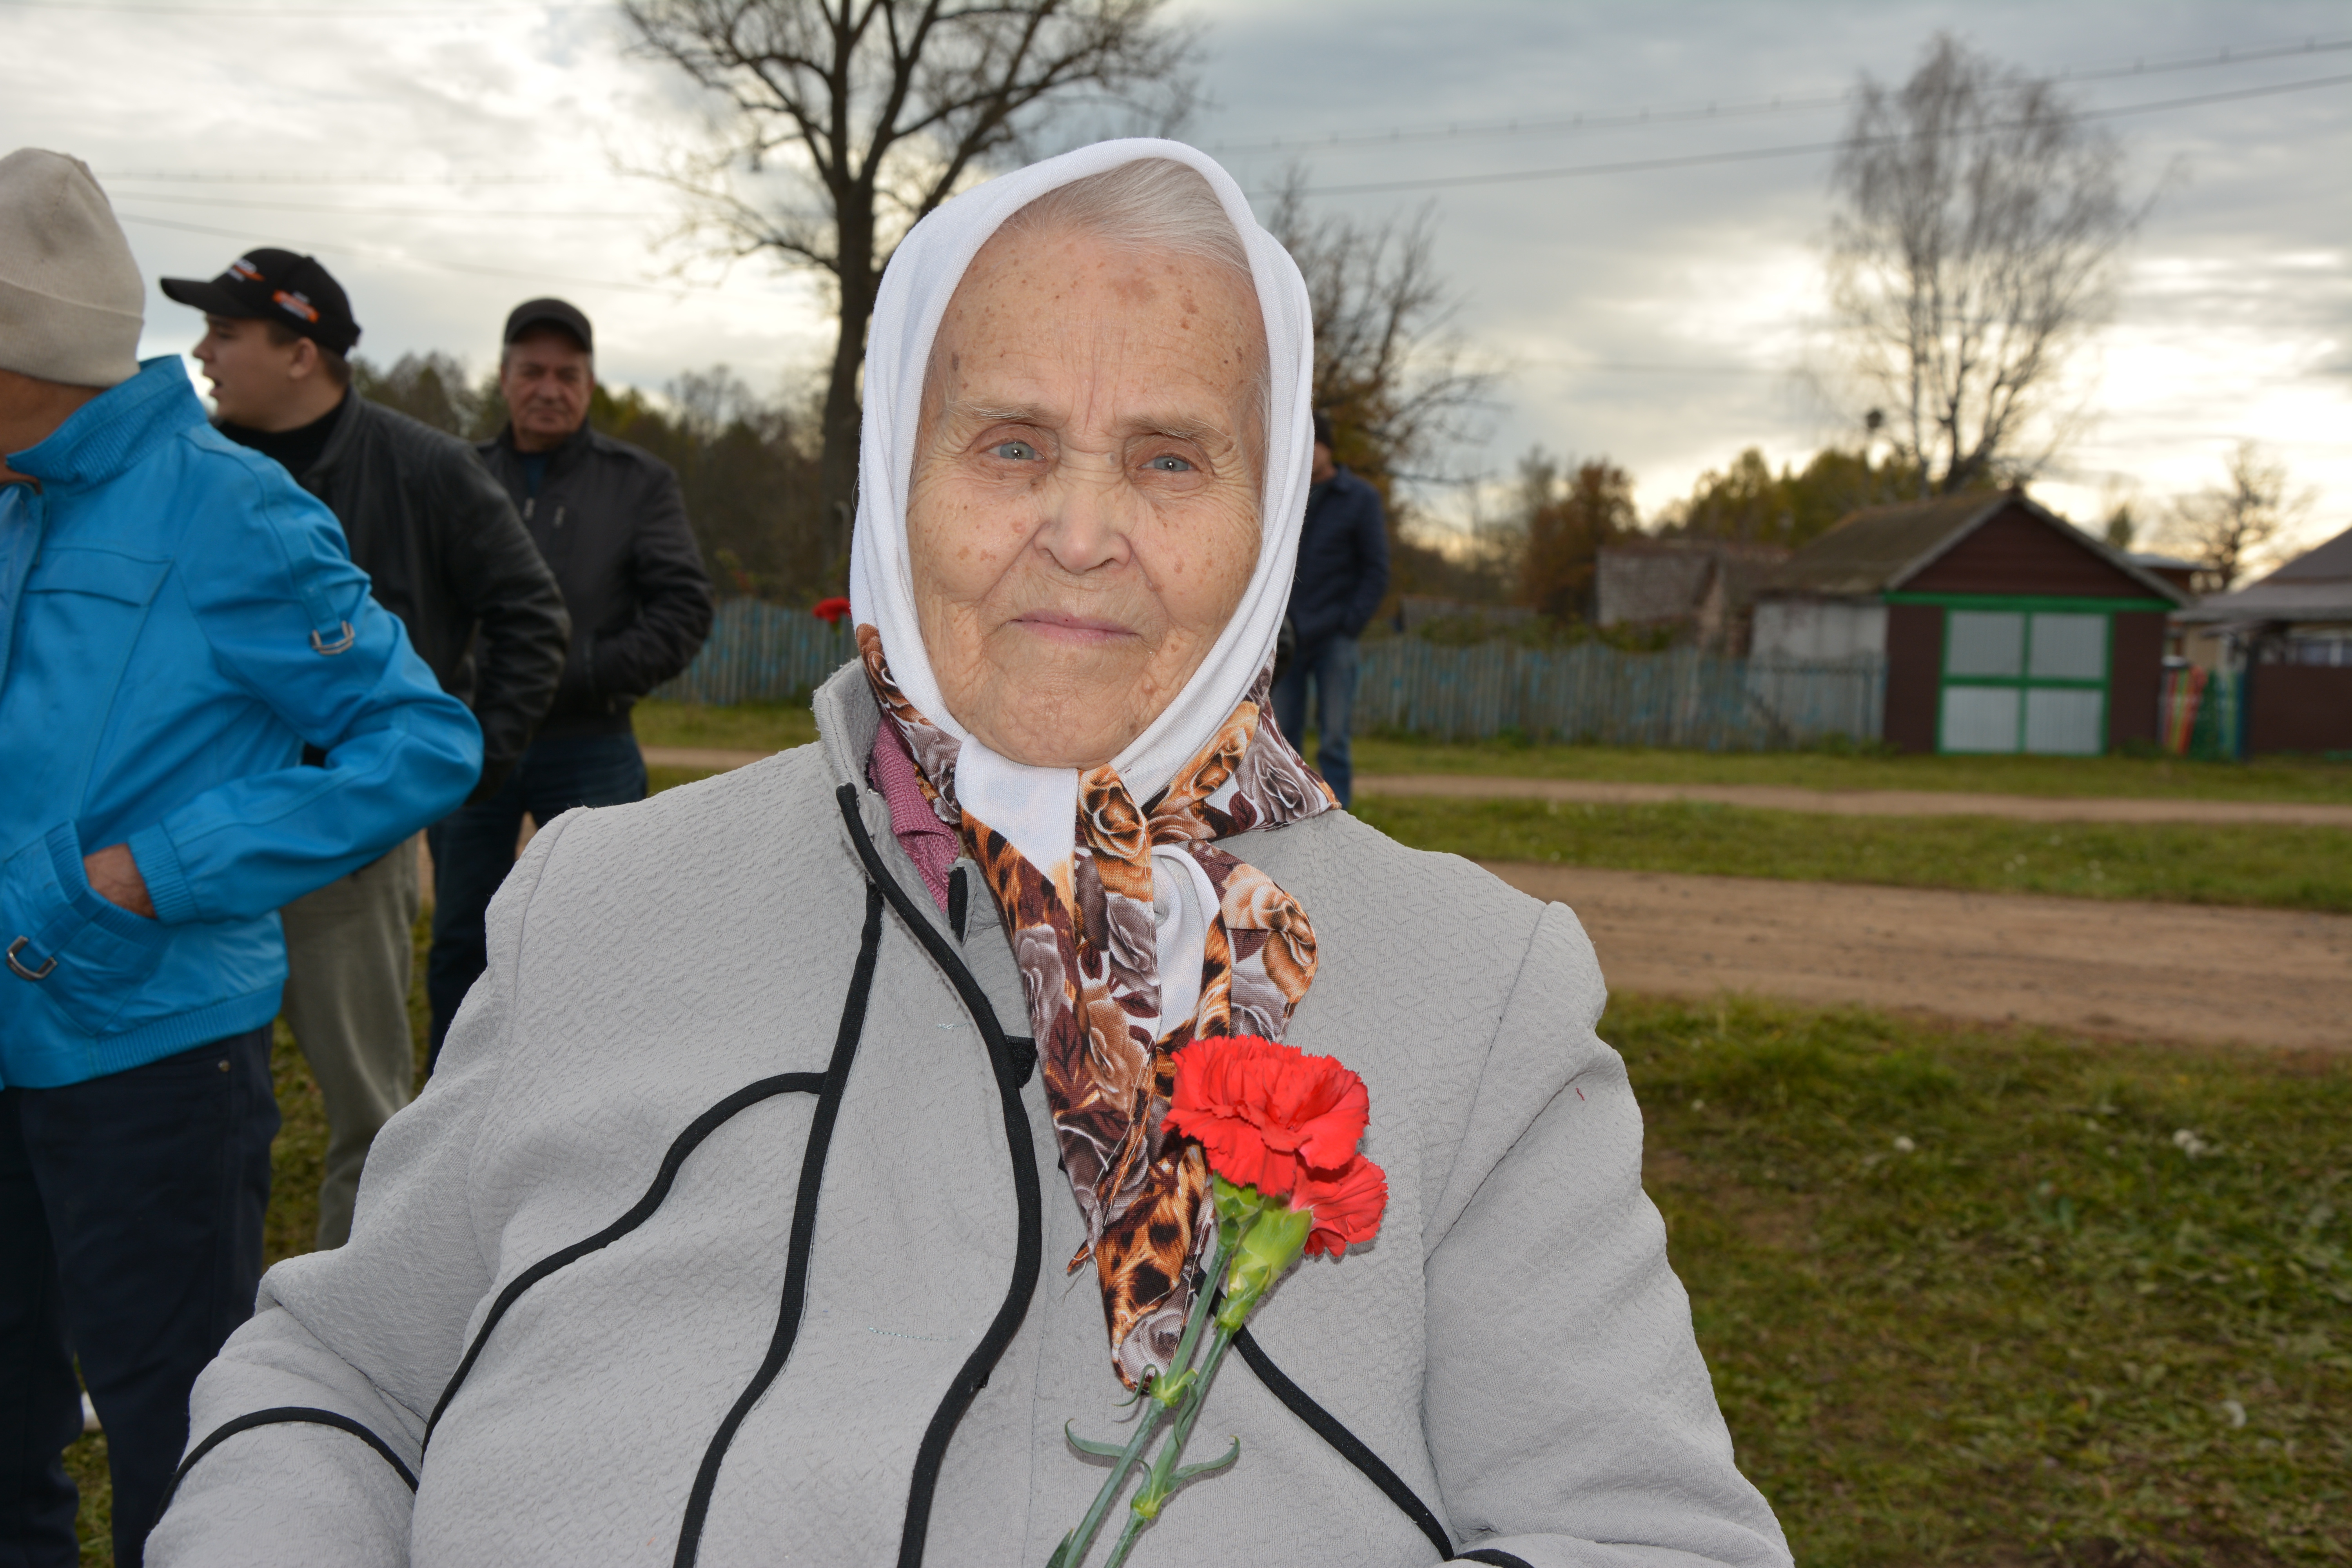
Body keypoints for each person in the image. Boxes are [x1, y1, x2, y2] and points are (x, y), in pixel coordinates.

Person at [152, 143, 1788, 1568]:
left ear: (1271, 518)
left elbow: (1642, 1534)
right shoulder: (600, 903)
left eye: (1168, 456)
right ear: (894, 483)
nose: (1079, 529)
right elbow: (337, 1388)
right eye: (1008, 443)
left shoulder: (1475, 993)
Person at [0, 149, 481, 1568]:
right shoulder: (16, 493)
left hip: (148, 1055)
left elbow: (416, 743)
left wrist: (151, 871)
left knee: (176, 1443)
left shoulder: (232, 507)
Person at [161, 249, 570, 1249]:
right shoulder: (191, 474)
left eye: (226, 332)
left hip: (342, 849)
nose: (204, 352)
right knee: (198, 1107)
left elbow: (531, 612)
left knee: (371, 1116)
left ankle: (359, 1338)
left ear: (302, 352)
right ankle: (209, 1330)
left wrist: (459, 772)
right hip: (197, 847)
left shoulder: (424, 468)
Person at [424, 298, 712, 1064]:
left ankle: (599, 1093)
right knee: (462, 936)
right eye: (532, 371)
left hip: (590, 744)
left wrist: (576, 673)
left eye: (567, 373)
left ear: (588, 383)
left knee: (603, 933)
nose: (548, 387)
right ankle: (452, 1110)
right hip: (472, 749)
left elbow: (683, 607)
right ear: (505, 378)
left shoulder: (639, 483)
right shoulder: (457, 474)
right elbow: (421, 603)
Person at [1273, 411, 1388, 808]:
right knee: (1283, 737)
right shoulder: (1287, 494)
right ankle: (1289, 821)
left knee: (1335, 736)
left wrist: (1349, 624)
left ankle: (1341, 821)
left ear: (1329, 448)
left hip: (1336, 639)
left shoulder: (1359, 498)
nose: (1308, 452)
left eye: (1315, 443)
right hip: (1287, 638)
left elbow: (1377, 570)